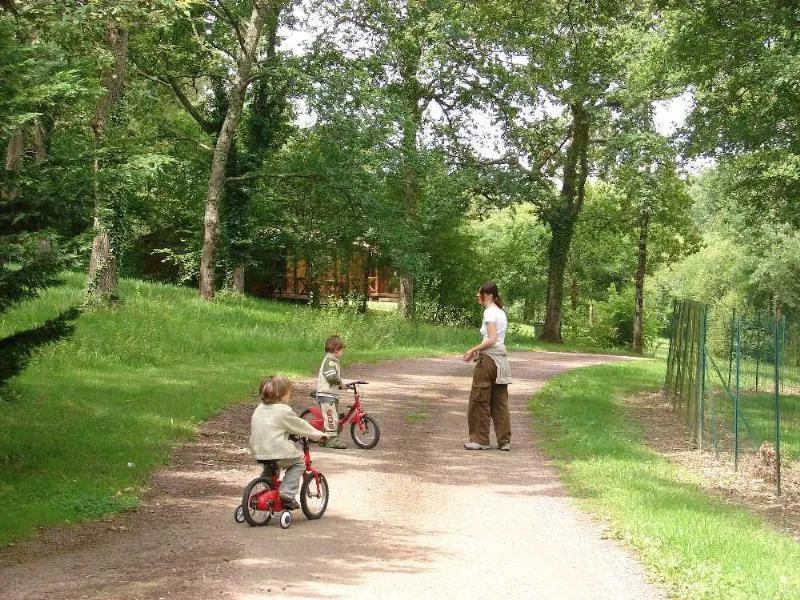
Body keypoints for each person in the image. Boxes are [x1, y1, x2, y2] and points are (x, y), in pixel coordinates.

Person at [249, 375, 327, 509]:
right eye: (288, 394)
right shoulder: (283, 410)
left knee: (271, 468)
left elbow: (273, 427)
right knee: (298, 464)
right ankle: (287, 493)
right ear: (281, 395)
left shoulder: (259, 409)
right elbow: (300, 425)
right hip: (276, 450)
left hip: (259, 450)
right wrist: (318, 435)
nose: (289, 397)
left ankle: (265, 489)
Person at [462, 281, 512, 451]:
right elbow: (497, 340)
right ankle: (504, 441)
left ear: (489, 295)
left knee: (479, 400)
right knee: (500, 402)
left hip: (489, 361)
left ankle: (480, 440)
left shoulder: (489, 312)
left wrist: (472, 350)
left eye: (480, 293)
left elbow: (491, 339)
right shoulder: (501, 313)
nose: (478, 295)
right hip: (502, 362)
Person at [316, 335, 348, 449]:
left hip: (331, 394)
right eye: (342, 350)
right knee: (331, 418)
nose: (343, 353)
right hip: (326, 394)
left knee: (333, 417)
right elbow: (330, 376)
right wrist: (340, 383)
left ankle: (323, 438)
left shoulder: (333, 361)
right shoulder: (329, 361)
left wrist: (340, 385)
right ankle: (331, 441)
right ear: (336, 349)